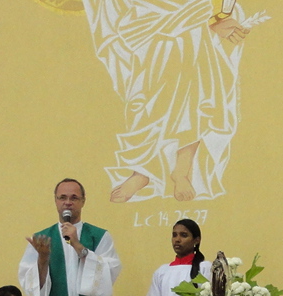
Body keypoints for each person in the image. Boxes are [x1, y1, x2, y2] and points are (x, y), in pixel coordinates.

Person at [82, 0, 252, 203]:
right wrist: (193, 17)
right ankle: (141, 172)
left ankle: (181, 171)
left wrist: (213, 22)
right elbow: (125, 22)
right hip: (149, 40)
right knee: (145, 106)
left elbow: (214, 6)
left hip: (194, 42)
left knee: (195, 104)